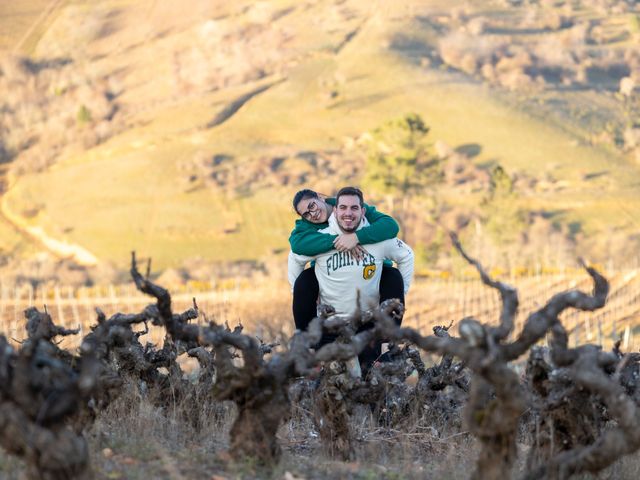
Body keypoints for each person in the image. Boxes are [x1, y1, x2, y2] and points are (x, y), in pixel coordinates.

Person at [289, 186, 414, 372]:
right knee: (305, 281)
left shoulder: (375, 233)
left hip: (367, 320)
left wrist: (356, 237)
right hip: (331, 321)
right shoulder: (315, 236)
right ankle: (308, 346)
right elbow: (295, 252)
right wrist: (338, 241)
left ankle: (388, 347)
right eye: (306, 213)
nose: (313, 214)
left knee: (393, 277)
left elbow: (404, 250)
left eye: (354, 208)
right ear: (336, 211)